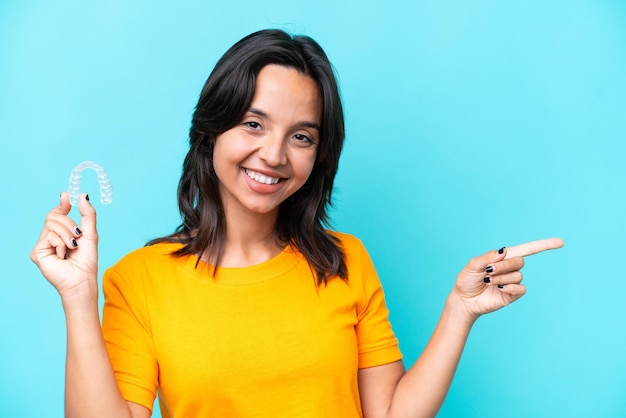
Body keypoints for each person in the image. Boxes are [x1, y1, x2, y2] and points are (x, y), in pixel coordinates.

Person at [31, 29, 563, 418]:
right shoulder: (140, 280)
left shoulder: (344, 260)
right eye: (253, 124)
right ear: (212, 130)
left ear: (318, 157)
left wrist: (460, 311)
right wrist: (78, 299)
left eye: (302, 136)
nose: (274, 155)